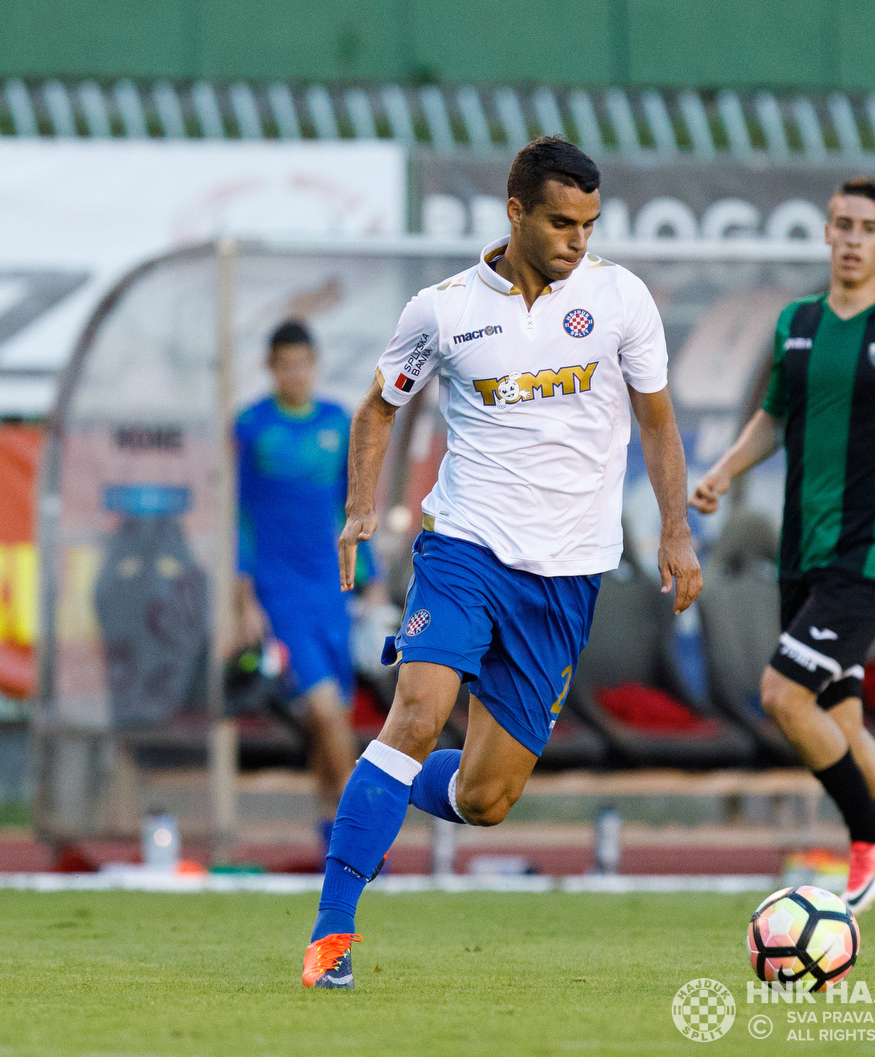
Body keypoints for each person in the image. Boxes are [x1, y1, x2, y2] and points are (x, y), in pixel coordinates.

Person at [302, 136, 700, 989]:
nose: (577, 240)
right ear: (515, 212)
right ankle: (332, 933)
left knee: (485, 798)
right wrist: (362, 509)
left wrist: (676, 531)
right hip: (465, 546)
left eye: (590, 223)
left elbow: (659, 423)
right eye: (562, 221)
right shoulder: (441, 310)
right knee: (415, 715)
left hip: (568, 573)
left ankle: (390, 782)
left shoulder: (621, 299)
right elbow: (378, 409)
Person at [691, 176, 875, 932]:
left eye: (867, 227)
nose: (851, 238)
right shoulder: (796, 323)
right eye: (841, 224)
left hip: (873, 553)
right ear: (826, 233)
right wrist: (725, 471)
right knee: (843, 724)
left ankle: (870, 837)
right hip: (804, 552)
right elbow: (772, 417)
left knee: (783, 694)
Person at [234, 321, 380, 855]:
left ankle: (326, 829)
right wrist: (243, 597)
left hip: (331, 590)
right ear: (271, 368)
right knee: (321, 708)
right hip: (279, 592)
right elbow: (237, 515)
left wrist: (372, 580)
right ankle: (357, 833)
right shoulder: (251, 426)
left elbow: (355, 503)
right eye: (285, 365)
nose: (296, 375)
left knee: (333, 717)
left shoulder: (338, 423)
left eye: (304, 364)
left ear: (314, 366)